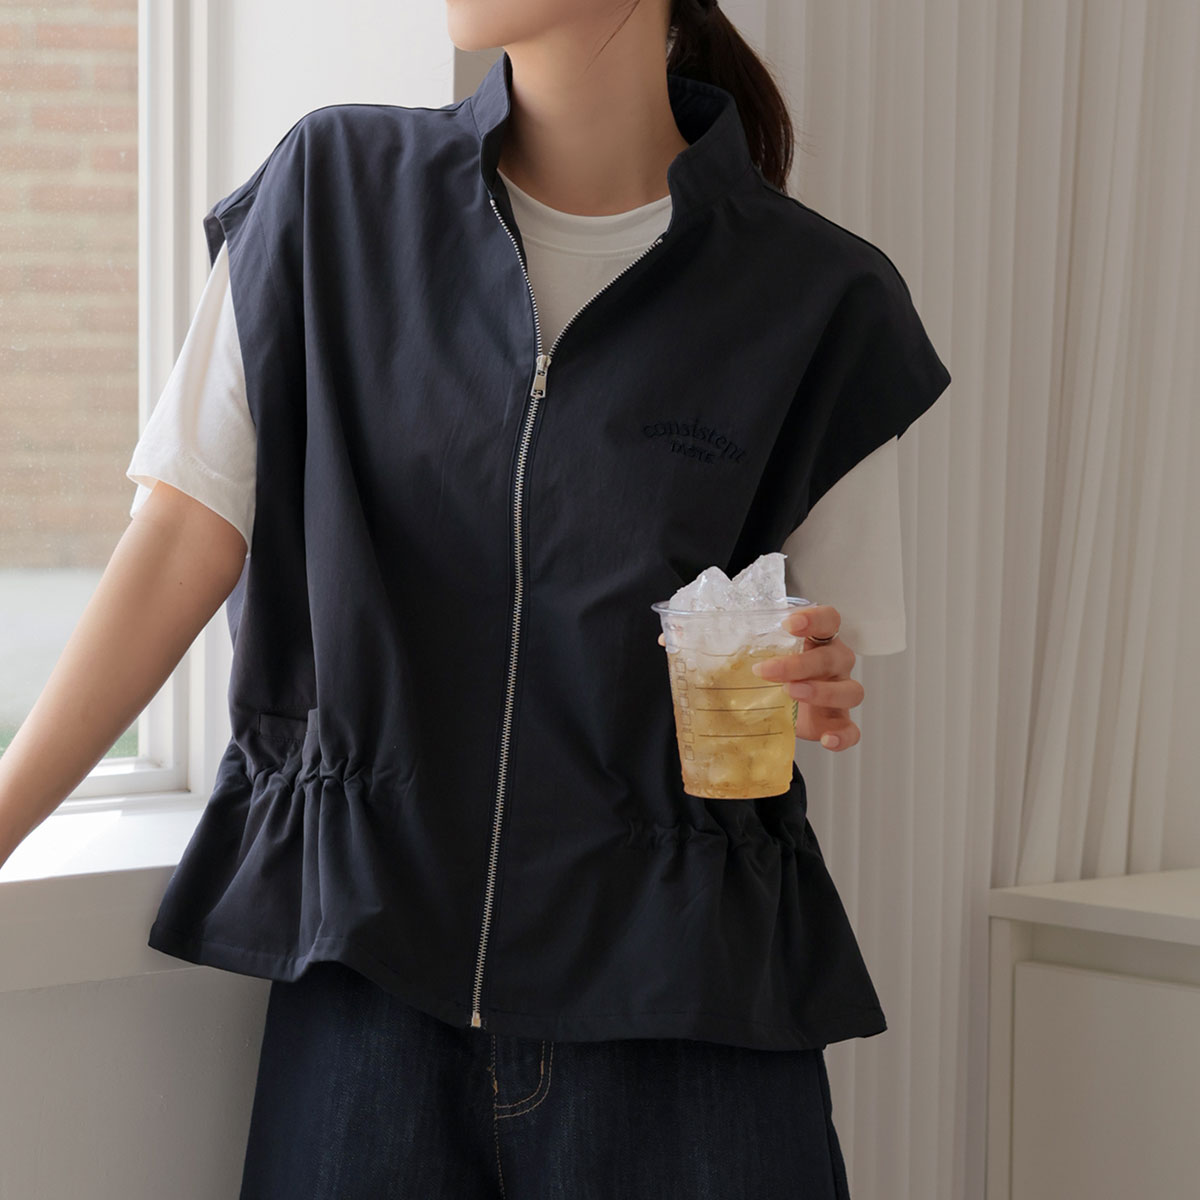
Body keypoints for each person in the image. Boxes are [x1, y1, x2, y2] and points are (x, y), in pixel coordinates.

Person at [0, 1, 951, 1196]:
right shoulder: (333, 194)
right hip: (371, 994)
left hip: (684, 1019)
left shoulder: (821, 300)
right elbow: (184, 535)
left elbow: (819, 646)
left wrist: (816, 673)